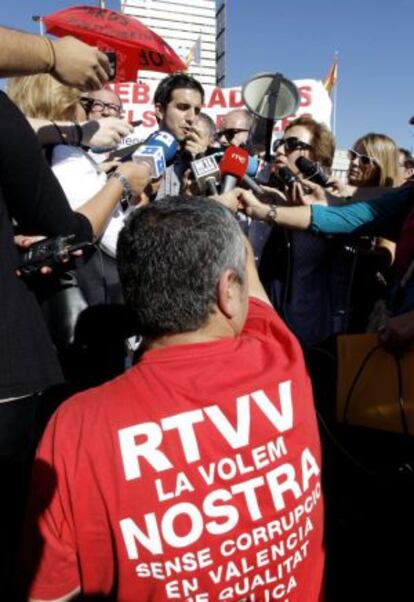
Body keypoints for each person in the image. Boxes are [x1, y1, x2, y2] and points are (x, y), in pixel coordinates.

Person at [22, 195, 324, 602]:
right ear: (227, 290)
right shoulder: (280, 357)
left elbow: (51, 593)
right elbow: (245, 265)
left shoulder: (77, 427)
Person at [0, 28, 152, 598]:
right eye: (84, 101)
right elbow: (73, 231)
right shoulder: (57, 151)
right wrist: (122, 181)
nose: (93, 110)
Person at [153, 73, 209, 197]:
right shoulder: (130, 157)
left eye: (197, 111)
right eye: (183, 107)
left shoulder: (204, 161)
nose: (191, 118)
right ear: (160, 110)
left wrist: (200, 161)